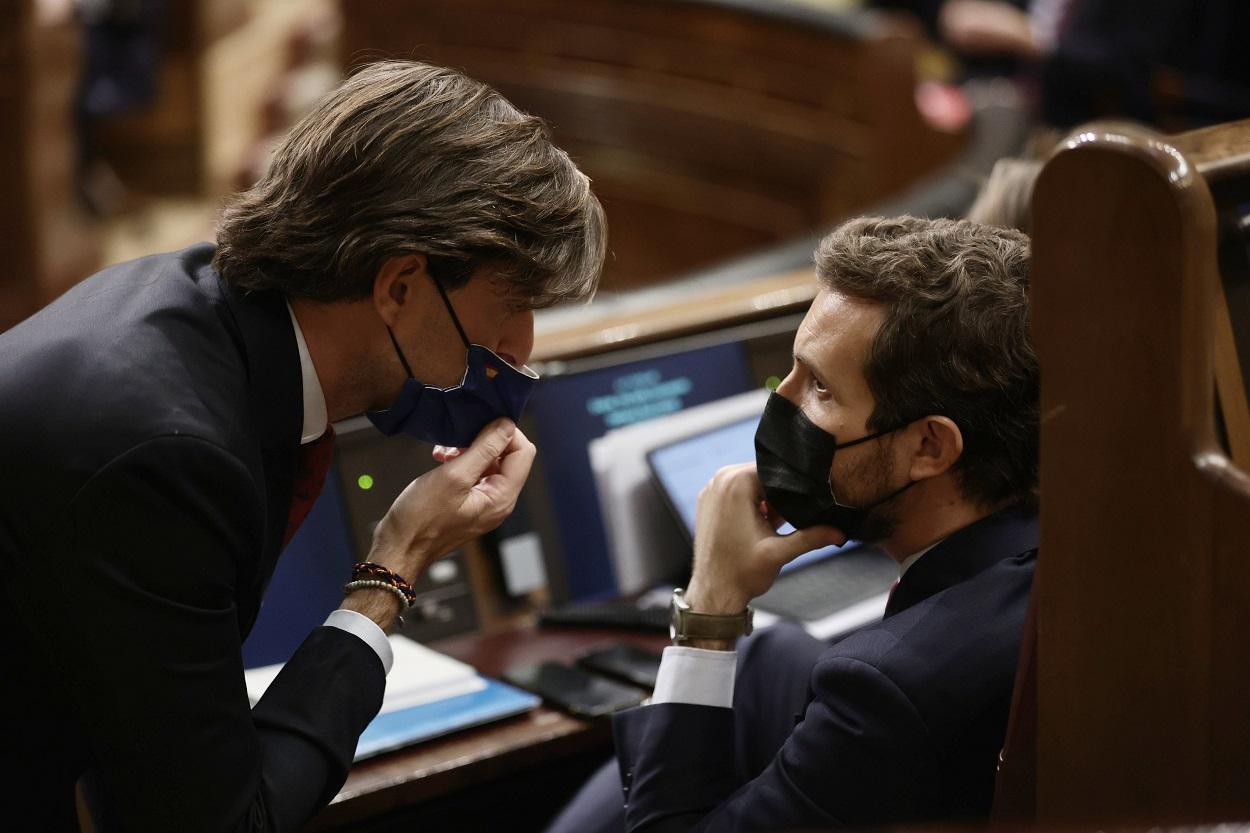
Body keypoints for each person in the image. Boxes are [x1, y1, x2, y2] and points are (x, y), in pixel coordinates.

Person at [0, 60, 605, 832]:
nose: (522, 348)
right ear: (399, 286)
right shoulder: (168, 455)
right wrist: (394, 568)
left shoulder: (212, 311)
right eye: (515, 302)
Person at [545, 216, 1037, 833]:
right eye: (789, 372)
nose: (780, 401)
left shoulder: (887, 688)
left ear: (930, 447)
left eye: (822, 390)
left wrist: (711, 604)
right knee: (767, 654)